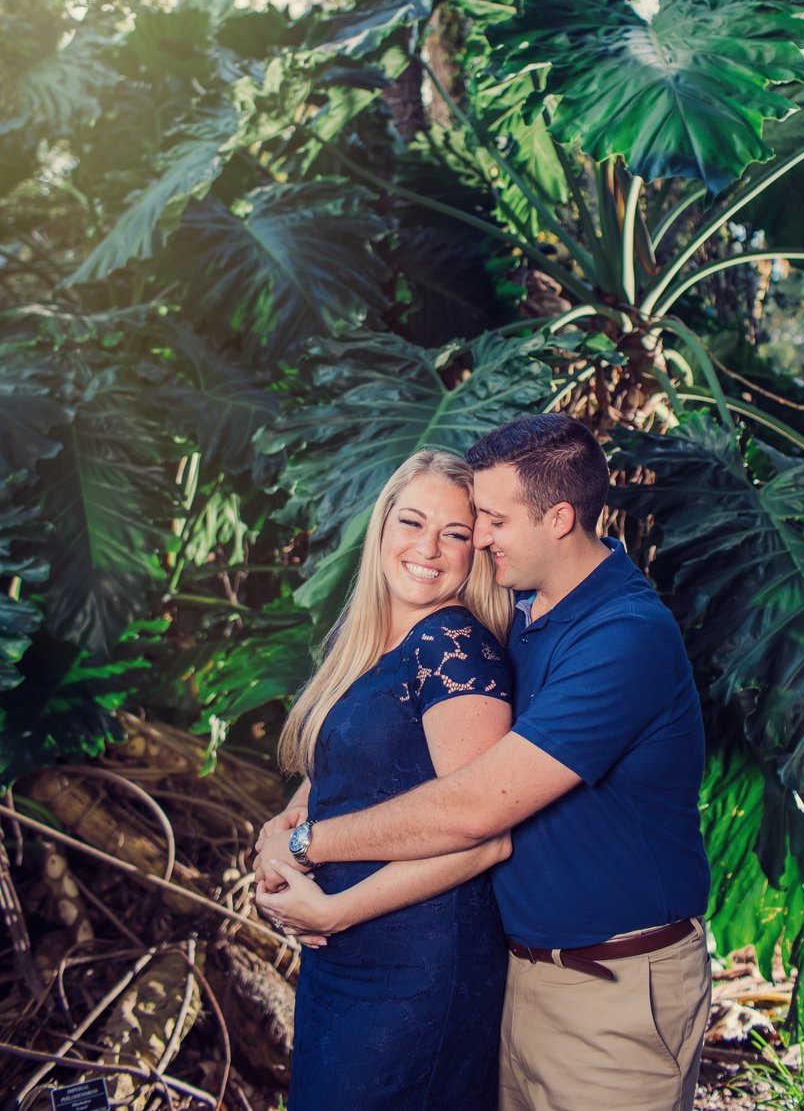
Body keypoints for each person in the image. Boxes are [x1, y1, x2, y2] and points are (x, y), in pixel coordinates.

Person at [256, 413, 712, 1111]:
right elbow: (390, 736)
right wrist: (294, 812)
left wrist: (309, 841)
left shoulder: (625, 638)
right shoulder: (527, 611)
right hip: (518, 977)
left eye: (487, 521)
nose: (479, 537)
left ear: (558, 518)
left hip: (612, 987)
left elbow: (476, 809)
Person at [254, 449, 514, 1111]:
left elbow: (484, 837)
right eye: (411, 521)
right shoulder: (372, 640)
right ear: (381, 526)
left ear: (475, 551)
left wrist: (334, 904)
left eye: (454, 534)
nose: (427, 548)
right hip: (342, 957)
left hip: (417, 968)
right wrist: (279, 834)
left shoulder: (456, 649)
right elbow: (351, 766)